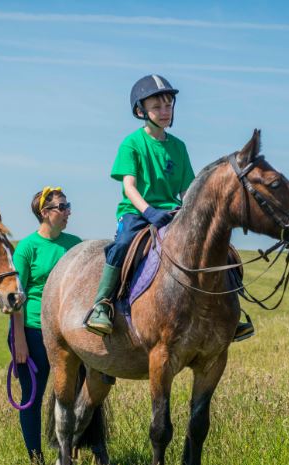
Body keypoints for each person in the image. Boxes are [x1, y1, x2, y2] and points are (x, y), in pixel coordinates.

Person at [85, 74, 254, 341]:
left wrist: (196, 214)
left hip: (175, 211)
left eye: (168, 105)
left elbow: (188, 190)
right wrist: (148, 212)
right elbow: (129, 186)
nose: (165, 112)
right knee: (122, 245)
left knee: (222, 248)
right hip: (137, 211)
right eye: (157, 107)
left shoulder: (179, 146)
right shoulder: (132, 144)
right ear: (141, 111)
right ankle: (102, 304)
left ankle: (232, 312)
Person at [10, 186, 81, 465]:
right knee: (33, 396)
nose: (68, 212)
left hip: (70, 333)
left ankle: (79, 453)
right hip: (33, 329)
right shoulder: (27, 248)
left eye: (67, 205)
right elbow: (16, 296)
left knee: (76, 394)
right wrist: (19, 340)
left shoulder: (74, 243)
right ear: (45, 213)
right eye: (62, 207)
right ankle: (36, 459)